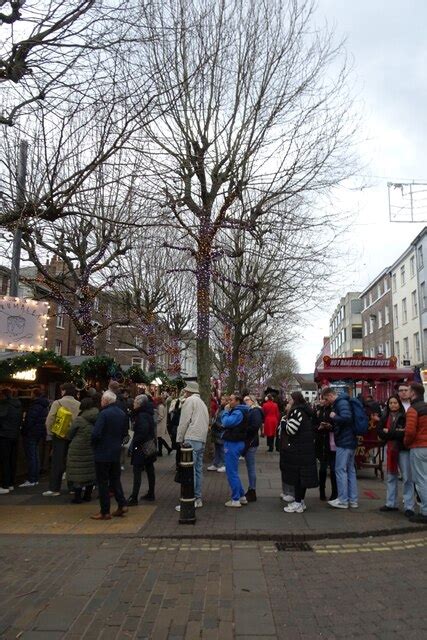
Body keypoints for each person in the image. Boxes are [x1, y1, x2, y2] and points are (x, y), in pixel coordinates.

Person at [91, 390, 128, 520]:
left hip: (102, 452)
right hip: (115, 451)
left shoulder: (104, 414)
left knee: (102, 482)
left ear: (106, 401)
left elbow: (96, 433)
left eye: (102, 400)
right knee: (115, 479)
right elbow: (125, 432)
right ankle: (122, 504)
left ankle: (105, 511)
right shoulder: (121, 413)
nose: (101, 402)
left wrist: (94, 444)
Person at [377, 394, 415, 517]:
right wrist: (395, 433)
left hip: (403, 449)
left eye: (395, 403)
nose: (393, 405)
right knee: (391, 476)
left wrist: (390, 433)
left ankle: (409, 506)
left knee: (407, 478)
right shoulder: (385, 416)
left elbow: (404, 433)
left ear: (399, 404)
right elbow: (380, 432)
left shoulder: (405, 416)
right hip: (391, 449)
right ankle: (390, 503)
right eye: (391, 403)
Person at [281, 392, 318, 513]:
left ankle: (297, 503)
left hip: (298, 449)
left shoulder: (296, 412)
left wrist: (284, 422)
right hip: (306, 448)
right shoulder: (306, 411)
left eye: (290, 399)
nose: (288, 401)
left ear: (294, 400)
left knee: (297, 477)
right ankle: (300, 501)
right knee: (303, 476)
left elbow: (291, 430)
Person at [321, 387, 358, 509]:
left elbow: (346, 418)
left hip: (344, 441)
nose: (327, 401)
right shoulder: (344, 402)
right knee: (351, 470)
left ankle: (343, 499)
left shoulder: (341, 403)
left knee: (340, 469)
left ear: (331, 395)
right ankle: (353, 499)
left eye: (326, 399)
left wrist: (334, 416)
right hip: (350, 440)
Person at [175, 382, 209, 510]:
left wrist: (179, 438)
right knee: (198, 469)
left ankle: (190, 499)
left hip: (191, 437)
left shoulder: (189, 401)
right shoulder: (203, 403)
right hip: (201, 438)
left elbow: (184, 421)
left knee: (190, 470)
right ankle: (198, 498)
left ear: (188, 391)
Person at [42, 383, 80, 497]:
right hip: (74, 436)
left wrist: (50, 433)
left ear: (64, 391)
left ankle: (54, 488)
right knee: (72, 462)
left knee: (57, 462)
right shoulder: (79, 404)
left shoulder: (57, 403)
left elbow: (50, 419)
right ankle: (73, 487)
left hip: (59, 436)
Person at [66, 397, 99, 503]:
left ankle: (77, 497)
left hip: (77, 449)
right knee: (89, 471)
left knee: (77, 473)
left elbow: (70, 433)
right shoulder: (98, 417)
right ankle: (88, 495)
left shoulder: (79, 419)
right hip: (91, 448)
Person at [404, 382, 427, 523]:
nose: (406, 393)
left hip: (418, 447)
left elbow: (410, 431)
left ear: (413, 393)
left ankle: (425, 511)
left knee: (420, 480)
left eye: (408, 390)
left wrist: (406, 442)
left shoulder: (413, 409)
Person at [127, 394, 157, 504]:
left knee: (137, 471)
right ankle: (151, 493)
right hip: (148, 446)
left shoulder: (142, 415)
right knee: (150, 470)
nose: (133, 404)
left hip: (141, 447)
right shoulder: (147, 413)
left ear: (139, 404)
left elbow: (143, 431)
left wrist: (134, 441)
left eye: (135, 402)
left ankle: (134, 497)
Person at [221, 393, 249, 507]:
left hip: (233, 443)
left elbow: (226, 422)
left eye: (231, 400)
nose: (229, 402)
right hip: (237, 442)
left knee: (231, 472)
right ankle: (241, 496)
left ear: (238, 401)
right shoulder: (242, 411)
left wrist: (225, 411)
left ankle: (235, 499)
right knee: (234, 472)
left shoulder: (237, 412)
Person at [19, 388, 49, 487]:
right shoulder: (44, 406)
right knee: (35, 455)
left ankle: (32, 479)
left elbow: (29, 420)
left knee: (31, 456)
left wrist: (24, 430)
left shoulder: (35, 406)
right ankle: (35, 478)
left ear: (34, 394)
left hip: (31, 433)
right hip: (39, 432)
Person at [314, 397, 337, 501]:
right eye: (322, 399)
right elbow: (313, 425)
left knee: (333, 469)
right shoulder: (317, 411)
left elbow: (337, 425)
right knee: (322, 468)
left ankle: (334, 492)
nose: (323, 401)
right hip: (321, 442)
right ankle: (322, 491)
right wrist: (318, 428)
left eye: (325, 399)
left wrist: (330, 426)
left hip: (331, 442)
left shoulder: (334, 410)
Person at [0, 388, 23, 495]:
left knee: (5, 461)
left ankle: (4, 485)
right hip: (15, 435)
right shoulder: (18, 405)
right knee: (12, 460)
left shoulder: (4, 405)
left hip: (5, 435)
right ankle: (10, 483)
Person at [243, 395, 264, 502]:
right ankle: (251, 489)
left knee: (251, 467)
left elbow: (255, 426)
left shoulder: (255, 411)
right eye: (244, 400)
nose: (245, 402)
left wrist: (244, 430)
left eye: (247, 400)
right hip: (250, 441)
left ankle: (252, 490)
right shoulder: (251, 410)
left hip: (251, 442)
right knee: (249, 466)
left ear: (252, 400)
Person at [207, 395, 228, 473]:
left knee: (222, 449)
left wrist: (217, 424)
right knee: (218, 449)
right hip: (217, 431)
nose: (221, 400)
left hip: (221, 431)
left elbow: (224, 422)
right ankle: (216, 464)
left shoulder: (226, 410)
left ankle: (225, 464)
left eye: (223, 399)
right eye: (221, 399)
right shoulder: (220, 408)